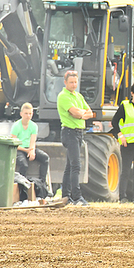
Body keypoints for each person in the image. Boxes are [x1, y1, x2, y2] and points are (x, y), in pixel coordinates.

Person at [57, 70, 94, 206]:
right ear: (65, 82)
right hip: (69, 132)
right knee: (76, 166)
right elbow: (75, 112)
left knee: (69, 166)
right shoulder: (63, 96)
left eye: (75, 82)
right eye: (71, 82)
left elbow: (89, 113)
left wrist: (81, 113)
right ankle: (77, 197)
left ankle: (66, 196)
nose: (73, 85)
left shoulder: (78, 96)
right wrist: (81, 113)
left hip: (78, 133)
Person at [11, 102, 50, 182]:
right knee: (24, 165)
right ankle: (21, 183)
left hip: (29, 148)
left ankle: (42, 182)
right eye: (26, 113)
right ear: (21, 114)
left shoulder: (33, 126)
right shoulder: (16, 126)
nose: (28, 116)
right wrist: (26, 150)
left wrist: (32, 151)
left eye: (30, 113)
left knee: (45, 158)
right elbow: (13, 144)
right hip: (19, 149)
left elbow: (33, 141)